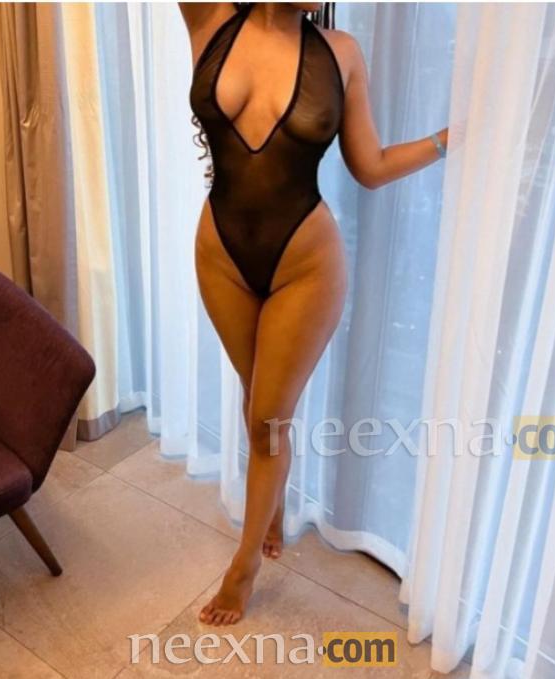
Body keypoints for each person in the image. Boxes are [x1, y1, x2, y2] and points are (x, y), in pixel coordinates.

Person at [178, 1, 449, 626]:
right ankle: (271, 511)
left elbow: (370, 167)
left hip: (306, 264)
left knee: (269, 417)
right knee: (256, 398)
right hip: (220, 256)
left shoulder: (341, 53)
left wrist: (447, 139)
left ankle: (244, 565)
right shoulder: (208, 17)